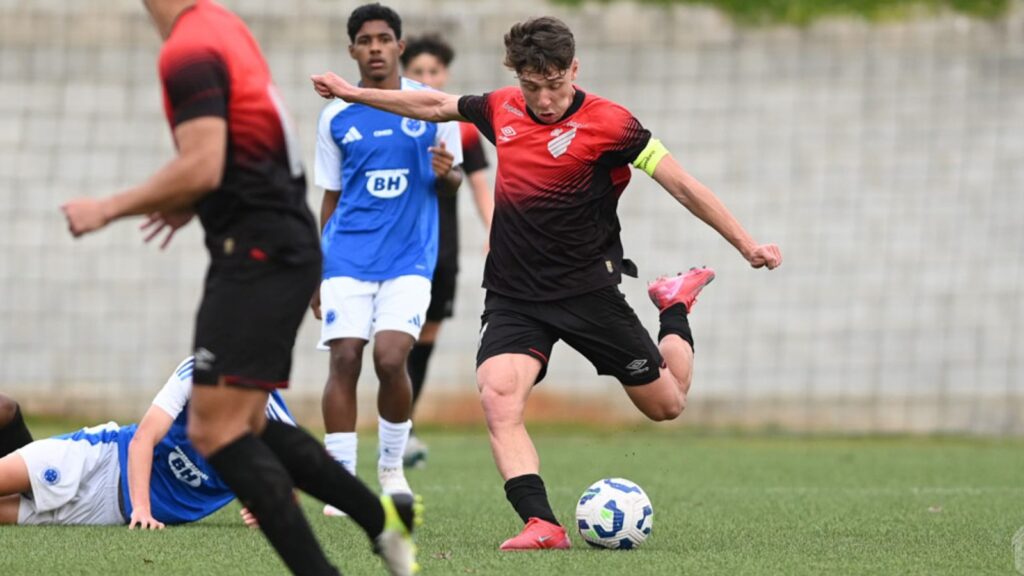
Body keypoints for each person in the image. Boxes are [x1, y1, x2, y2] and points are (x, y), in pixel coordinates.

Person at [312, 15, 782, 551]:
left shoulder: (612, 124)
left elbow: (683, 186)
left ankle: (674, 305)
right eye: (531, 87)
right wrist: (354, 94)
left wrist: (745, 243)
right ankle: (542, 524)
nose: (543, 100)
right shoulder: (501, 108)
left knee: (667, 404)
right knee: (498, 396)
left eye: (554, 85)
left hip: (587, 290)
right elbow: (432, 105)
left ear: (574, 70)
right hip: (515, 294)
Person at [60, 2, 417, 574]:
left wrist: (106, 209)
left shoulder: (187, 50)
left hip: (256, 252)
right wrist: (197, 199)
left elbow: (202, 164)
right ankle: (382, 524)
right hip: (276, 241)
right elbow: (239, 149)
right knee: (247, 425)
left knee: (214, 431)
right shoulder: (221, 25)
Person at [312, 3, 463, 506]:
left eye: (384, 38)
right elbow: (330, 198)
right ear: (352, 50)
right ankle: (341, 481)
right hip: (347, 257)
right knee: (346, 358)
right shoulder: (335, 116)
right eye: (364, 40)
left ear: (400, 46)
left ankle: (392, 467)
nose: (375, 47)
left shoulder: (433, 106)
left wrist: (448, 175)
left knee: (391, 356)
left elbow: (455, 179)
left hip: (409, 258)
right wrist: (316, 271)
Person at [0, 357, 294, 528]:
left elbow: (287, 490)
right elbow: (143, 439)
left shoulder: (276, 426)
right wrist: (142, 509)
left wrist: (269, 508)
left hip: (108, 512)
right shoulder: (198, 370)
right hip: (102, 458)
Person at [399, 33, 495, 468]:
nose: (425, 78)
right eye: (417, 72)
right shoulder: (394, 119)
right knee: (395, 340)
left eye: (432, 71)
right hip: (398, 245)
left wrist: (497, 231)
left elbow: (478, 184)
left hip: (442, 249)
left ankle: (405, 427)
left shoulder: (461, 127)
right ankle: (394, 426)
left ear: (445, 75)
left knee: (426, 338)